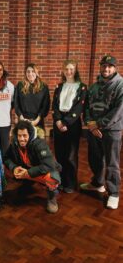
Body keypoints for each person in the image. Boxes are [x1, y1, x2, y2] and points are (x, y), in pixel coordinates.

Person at [81, 55, 123, 210]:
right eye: (104, 66)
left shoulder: (120, 85)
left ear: (115, 68)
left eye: (109, 66)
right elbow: (87, 108)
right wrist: (90, 125)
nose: (106, 69)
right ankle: (98, 183)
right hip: (94, 130)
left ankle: (113, 193)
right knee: (95, 158)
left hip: (111, 131)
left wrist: (97, 125)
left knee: (112, 163)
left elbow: (118, 112)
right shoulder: (94, 86)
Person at [4, 120, 61, 213]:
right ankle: (27, 184)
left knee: (52, 178)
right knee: (10, 170)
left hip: (42, 170)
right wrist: (14, 168)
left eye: (24, 136)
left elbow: (48, 165)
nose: (21, 139)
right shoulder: (14, 143)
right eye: (19, 135)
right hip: (27, 169)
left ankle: (51, 197)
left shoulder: (39, 144)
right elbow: (6, 158)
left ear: (30, 135)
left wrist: (28, 173)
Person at [52, 60, 87, 193]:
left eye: (71, 69)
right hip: (59, 123)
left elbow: (79, 108)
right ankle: (61, 180)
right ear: (63, 70)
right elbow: (55, 106)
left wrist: (65, 122)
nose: (69, 71)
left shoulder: (82, 87)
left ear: (76, 70)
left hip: (72, 124)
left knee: (71, 155)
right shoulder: (59, 86)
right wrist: (58, 121)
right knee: (60, 154)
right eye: (66, 69)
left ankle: (71, 183)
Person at [14, 63, 50, 130]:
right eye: (28, 71)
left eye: (33, 71)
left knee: (38, 140)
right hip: (23, 120)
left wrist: (37, 120)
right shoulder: (20, 85)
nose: (30, 74)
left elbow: (45, 105)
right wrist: (22, 118)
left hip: (38, 121)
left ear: (36, 73)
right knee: (23, 140)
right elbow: (16, 104)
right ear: (25, 73)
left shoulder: (44, 87)